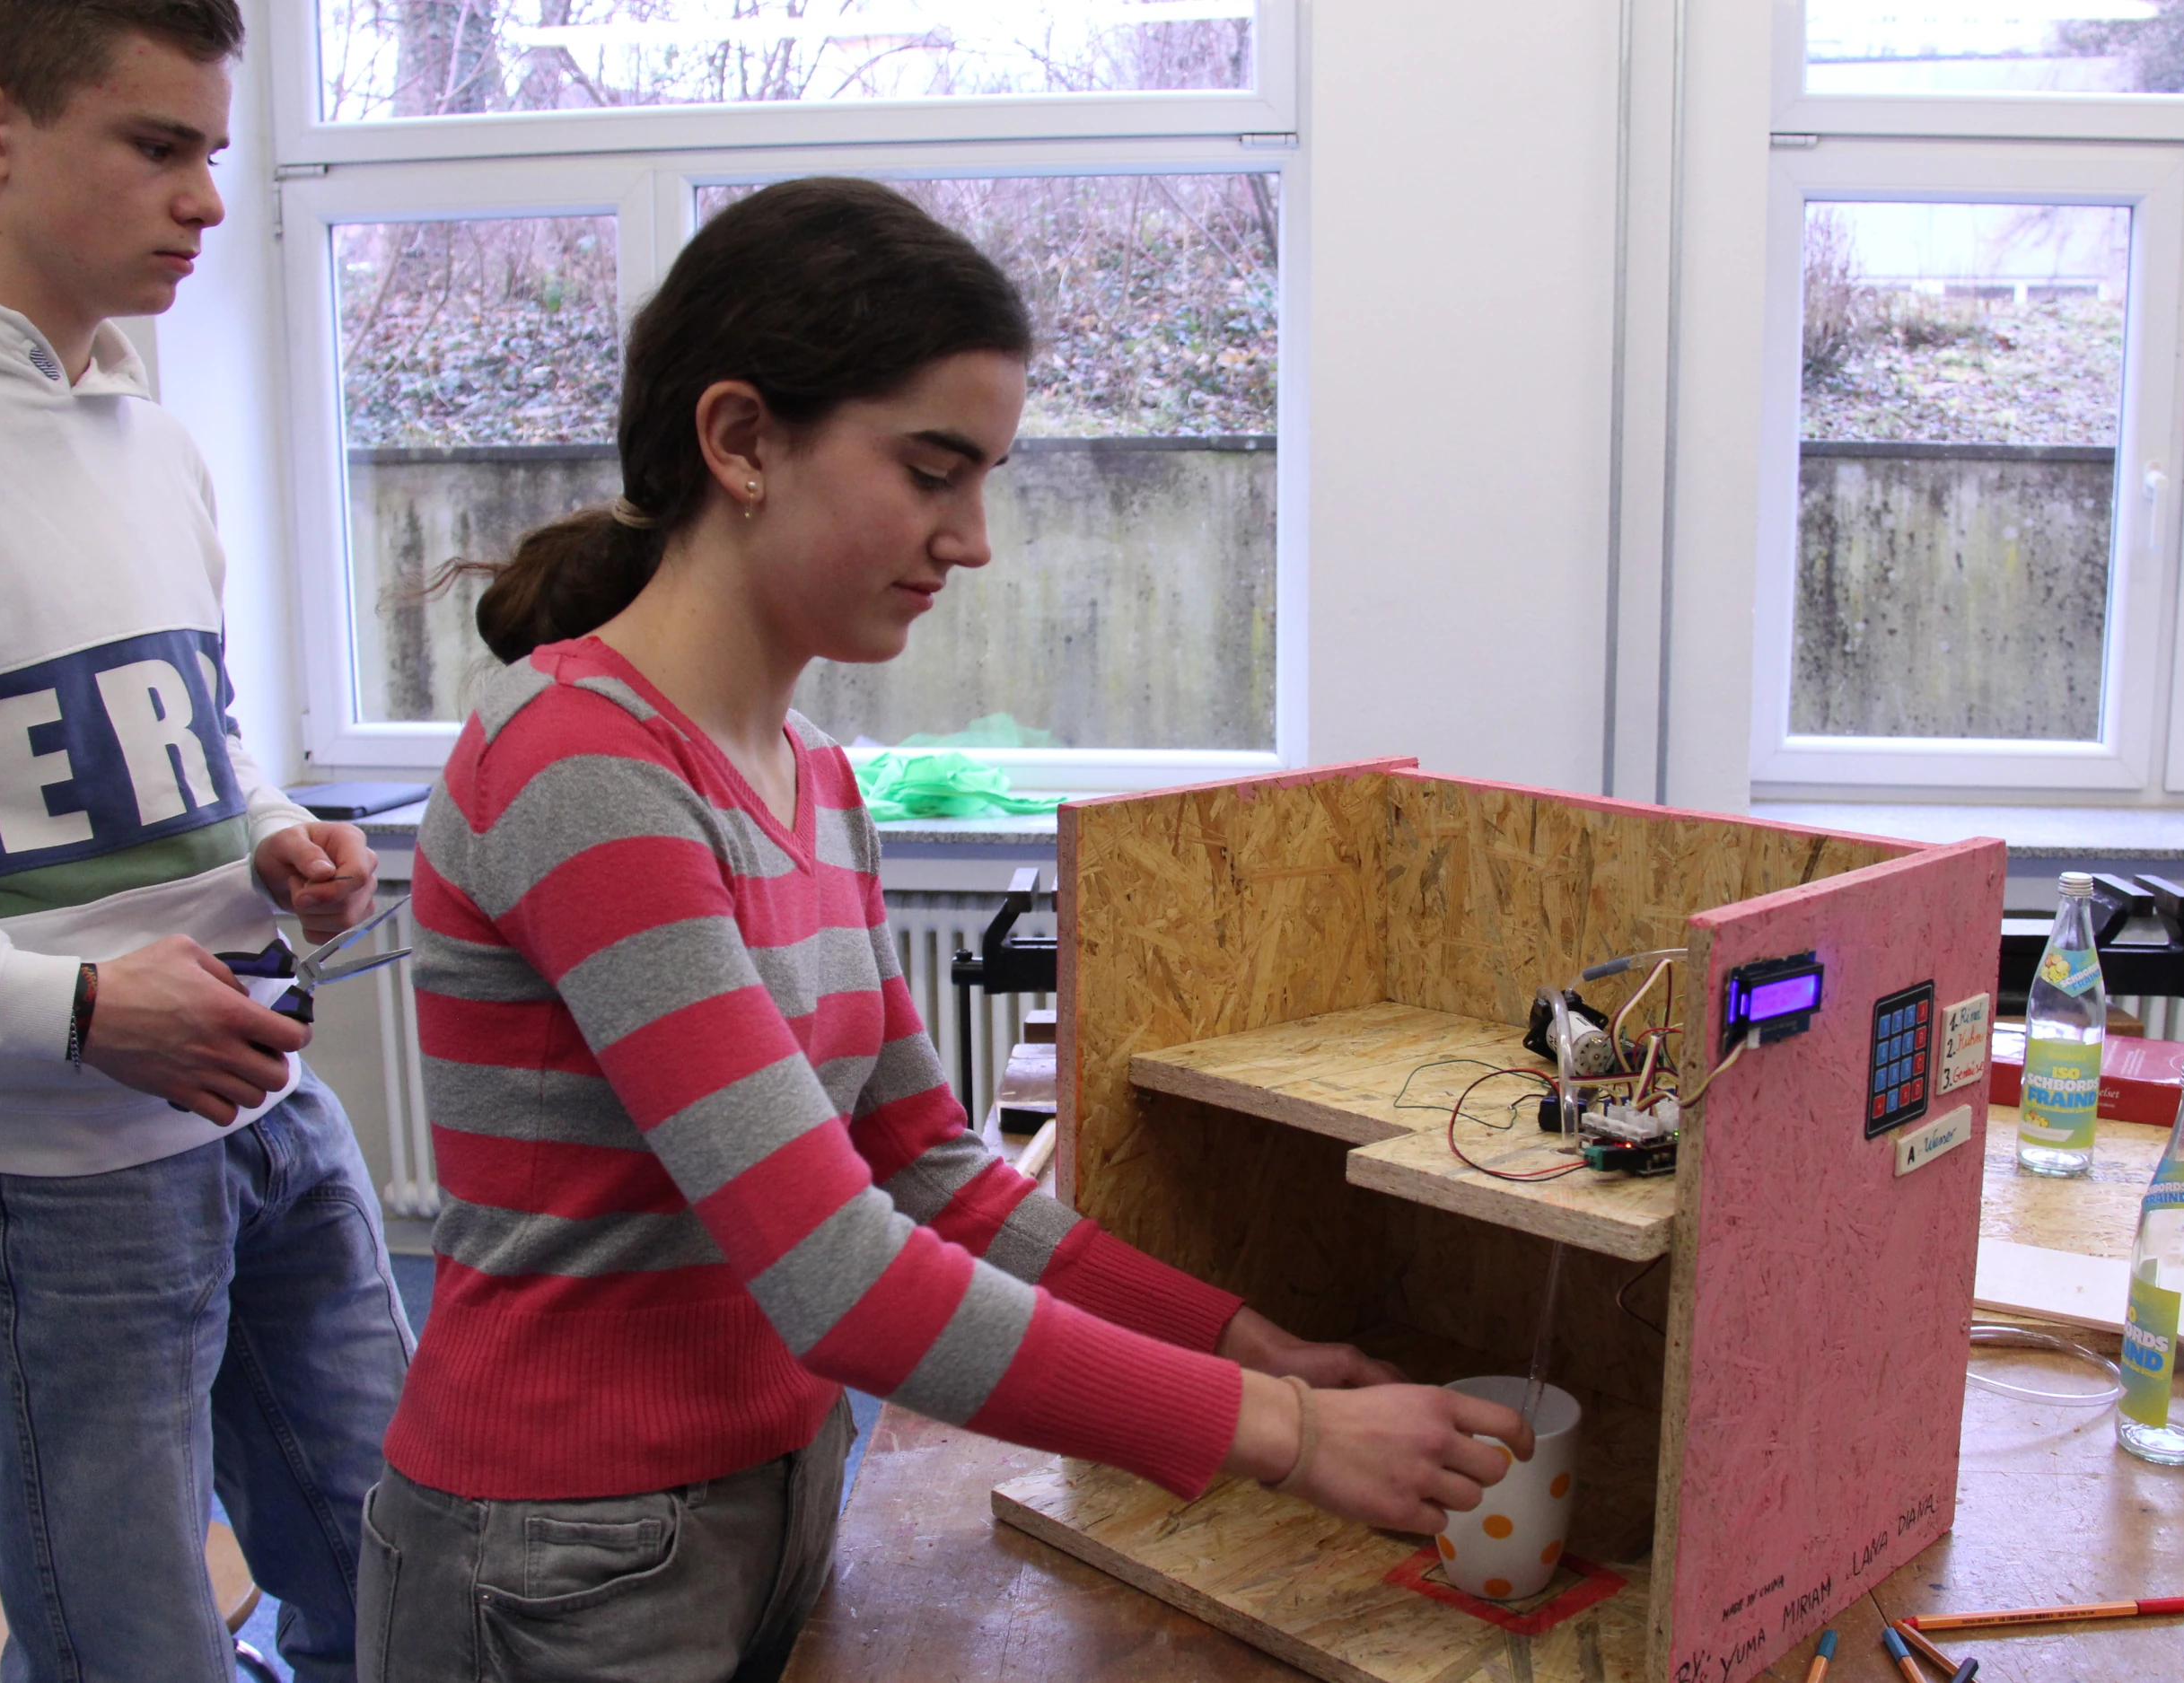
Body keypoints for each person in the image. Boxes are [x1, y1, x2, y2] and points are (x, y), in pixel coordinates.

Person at [355, 177, 1532, 1682]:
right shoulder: (584, 767)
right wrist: (1291, 1436)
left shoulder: (813, 773)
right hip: (562, 1551)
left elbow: (933, 1174)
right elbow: (838, 1270)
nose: (970, 540)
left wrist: (1241, 1343)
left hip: (763, 1492)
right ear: (741, 440)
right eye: (931, 471)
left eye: (984, 481)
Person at [0, 4, 414, 1679]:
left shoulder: (150, 436)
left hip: (271, 1125)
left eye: (217, 153)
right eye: (157, 148)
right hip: (41, 1193)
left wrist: (279, 830)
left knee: (399, 1574)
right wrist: (83, 1013)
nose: (210, 202)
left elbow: (185, 746)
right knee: (128, 1654)